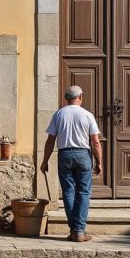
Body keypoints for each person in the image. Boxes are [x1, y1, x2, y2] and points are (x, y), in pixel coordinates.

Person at [40, 85, 102, 242]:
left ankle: (74, 231)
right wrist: (100, 162)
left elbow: (50, 141)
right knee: (83, 192)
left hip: (65, 154)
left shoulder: (59, 114)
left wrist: (45, 161)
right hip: (83, 154)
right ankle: (79, 231)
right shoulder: (88, 115)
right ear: (80, 97)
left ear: (66, 98)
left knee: (68, 191)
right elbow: (95, 142)